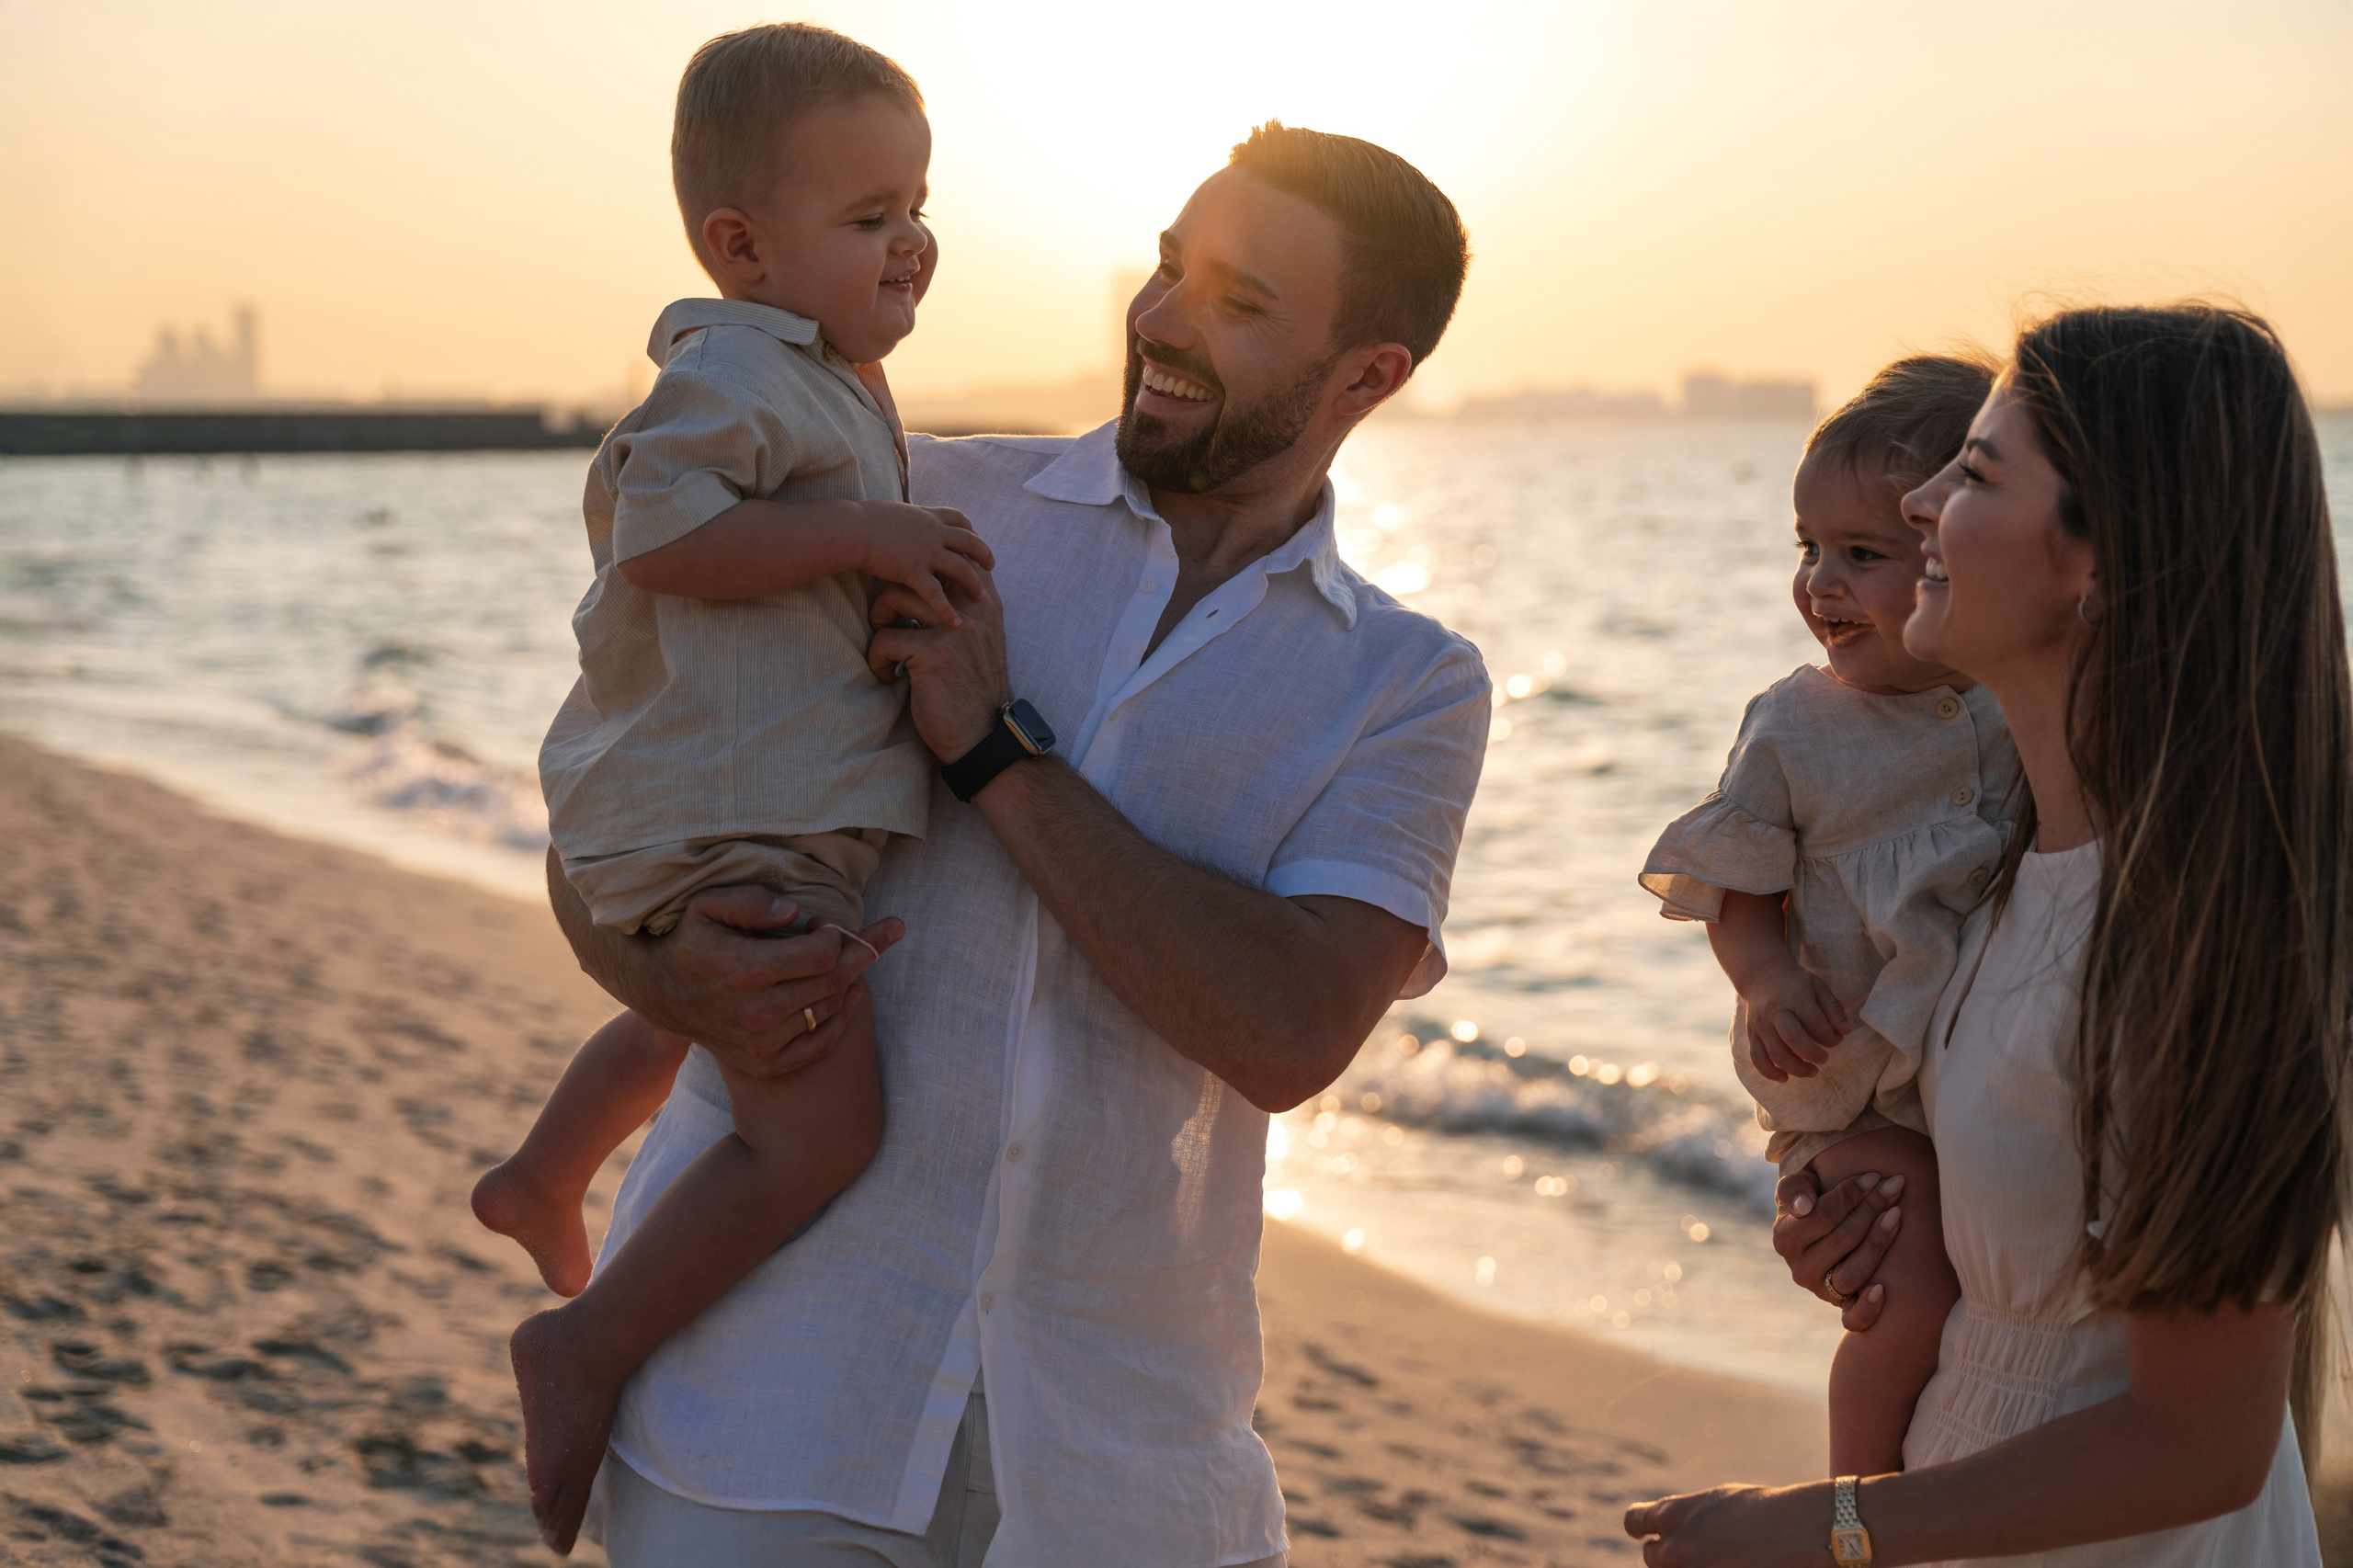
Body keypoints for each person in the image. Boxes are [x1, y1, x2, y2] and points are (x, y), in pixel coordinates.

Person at [548, 120, 1490, 1565]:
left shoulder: (1409, 683)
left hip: (1129, 1474)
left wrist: (994, 749)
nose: (1163, 319)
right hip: (763, 1407)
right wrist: (662, 968)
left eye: (1239, 303)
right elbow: (619, 797)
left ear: (1369, 375)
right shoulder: (900, 502)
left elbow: (1290, 1031)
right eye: (1169, 268)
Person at [1626, 303, 2343, 1565]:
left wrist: (1818, 1524)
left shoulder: (2186, 932)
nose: (1918, 505)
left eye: (1973, 472)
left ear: (2097, 562)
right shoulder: (1991, 873)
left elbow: (2201, 1444)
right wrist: (1867, 1223)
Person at [463, 24, 995, 1550]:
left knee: (697, 1010)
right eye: (870, 215)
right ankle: (586, 1342)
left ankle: (547, 1170)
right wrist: (871, 540)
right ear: (742, 246)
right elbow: (663, 535)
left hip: (737, 815)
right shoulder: (739, 369)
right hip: (729, 817)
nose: (913, 241)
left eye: (918, 206)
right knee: (818, 1132)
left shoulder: (820, 376)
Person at [1640, 355, 2005, 1474]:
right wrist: (1765, 979)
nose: (1819, 583)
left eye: (1862, 553)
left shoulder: (2011, 703)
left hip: (1964, 1070)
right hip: (1847, 1078)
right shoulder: (1795, 725)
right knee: (1906, 1285)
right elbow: (1736, 882)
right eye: (1806, 547)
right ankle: (1859, 1497)